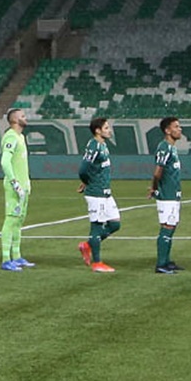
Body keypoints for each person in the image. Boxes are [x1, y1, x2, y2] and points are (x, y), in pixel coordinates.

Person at [77, 117, 121, 273]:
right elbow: (83, 169)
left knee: (115, 223)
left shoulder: (103, 145)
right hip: (96, 193)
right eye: (106, 128)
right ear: (98, 130)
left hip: (105, 192)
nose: (109, 130)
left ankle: (88, 245)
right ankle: (97, 263)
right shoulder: (94, 146)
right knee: (96, 227)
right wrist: (87, 181)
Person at [147, 117, 185, 274]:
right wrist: (154, 189)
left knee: (171, 225)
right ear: (167, 130)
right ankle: (161, 264)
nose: (180, 129)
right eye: (176, 126)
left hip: (173, 194)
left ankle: (167, 261)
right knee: (167, 226)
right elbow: (157, 173)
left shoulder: (172, 148)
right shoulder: (164, 148)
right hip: (166, 194)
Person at [0, 108, 34, 271]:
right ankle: (6, 259)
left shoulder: (21, 137)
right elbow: (5, 162)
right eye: (22, 116)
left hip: (23, 185)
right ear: (14, 120)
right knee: (11, 219)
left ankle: (17, 256)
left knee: (19, 221)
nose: (25, 118)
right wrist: (14, 183)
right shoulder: (11, 136)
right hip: (15, 186)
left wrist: (26, 182)